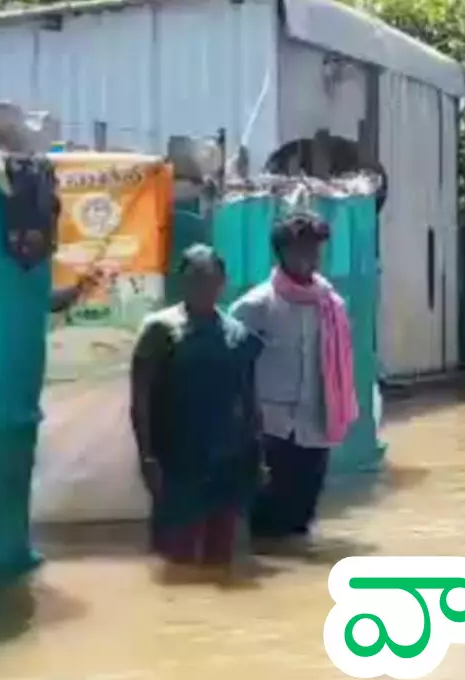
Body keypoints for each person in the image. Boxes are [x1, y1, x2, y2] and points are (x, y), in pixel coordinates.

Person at [129, 245, 263, 566]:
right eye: (195, 279)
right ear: (183, 282)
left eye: (210, 279)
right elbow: (140, 399)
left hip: (227, 460)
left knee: (222, 557)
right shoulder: (159, 330)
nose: (203, 287)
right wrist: (147, 458)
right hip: (176, 462)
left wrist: (258, 458)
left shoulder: (237, 334)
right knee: (175, 557)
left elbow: (250, 400)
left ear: (222, 282)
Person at [230, 211, 359, 543]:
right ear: (282, 252)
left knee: (302, 521)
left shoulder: (331, 304)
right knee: (265, 523)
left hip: (316, 424)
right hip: (271, 430)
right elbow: (233, 368)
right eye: (303, 249)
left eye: (316, 249)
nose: (311, 258)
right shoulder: (256, 306)